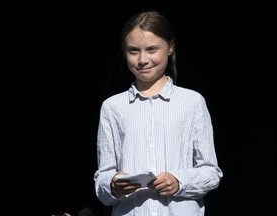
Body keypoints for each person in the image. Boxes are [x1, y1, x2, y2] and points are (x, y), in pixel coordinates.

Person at [94, 10, 223, 216]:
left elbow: (211, 172)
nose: (142, 59)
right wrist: (112, 185)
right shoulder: (112, 106)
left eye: (152, 49)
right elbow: (103, 177)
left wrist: (179, 181)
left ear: (170, 47)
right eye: (133, 51)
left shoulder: (192, 102)